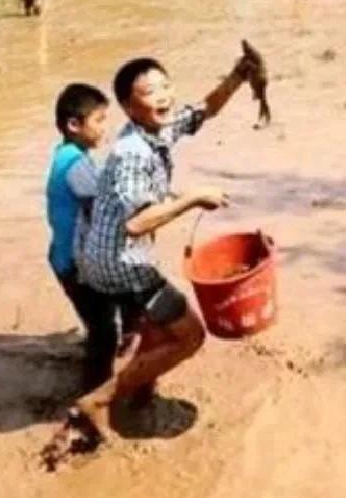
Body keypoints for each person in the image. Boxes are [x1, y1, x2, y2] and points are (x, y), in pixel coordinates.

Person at [72, 52, 258, 441]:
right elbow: (137, 223)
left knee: (156, 332)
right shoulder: (130, 154)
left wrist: (239, 76)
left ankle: (140, 392)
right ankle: (99, 400)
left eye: (164, 86)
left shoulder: (153, 131)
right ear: (127, 105)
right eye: (149, 91)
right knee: (190, 335)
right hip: (120, 264)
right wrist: (192, 198)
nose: (162, 96)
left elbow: (202, 112)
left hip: (107, 254)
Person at [46, 83, 117, 385]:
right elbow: (107, 209)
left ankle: (96, 370)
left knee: (98, 321)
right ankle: (93, 395)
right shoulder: (76, 165)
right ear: (74, 125)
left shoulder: (66, 153)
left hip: (63, 257)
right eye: (99, 120)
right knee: (105, 332)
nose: (105, 128)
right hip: (76, 266)